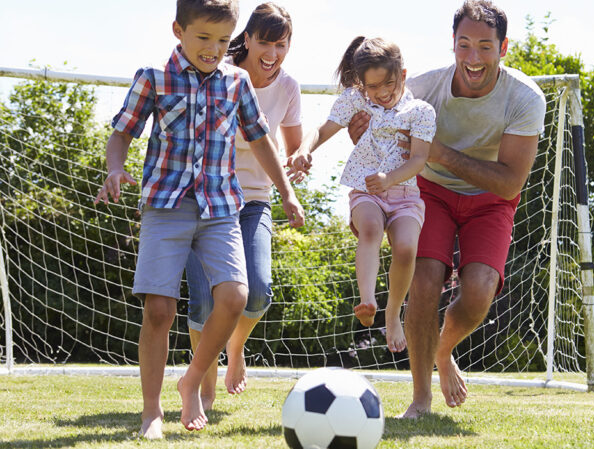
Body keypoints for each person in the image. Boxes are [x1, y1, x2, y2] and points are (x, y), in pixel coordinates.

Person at [94, 0, 304, 438]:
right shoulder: (154, 77)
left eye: (223, 40)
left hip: (221, 206)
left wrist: (286, 192)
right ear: (179, 30)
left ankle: (191, 379)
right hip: (166, 206)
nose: (214, 49)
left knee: (235, 296)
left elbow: (262, 141)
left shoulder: (237, 81)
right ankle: (152, 411)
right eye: (203, 37)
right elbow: (122, 134)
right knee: (159, 308)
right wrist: (116, 168)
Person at [347, 0, 546, 417]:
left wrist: (441, 152)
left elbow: (511, 180)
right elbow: (381, 146)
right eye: (464, 44)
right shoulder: (420, 88)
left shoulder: (525, 98)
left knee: (477, 295)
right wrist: (359, 135)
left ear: (503, 48)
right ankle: (420, 399)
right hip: (430, 192)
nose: (473, 58)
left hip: (491, 200)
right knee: (423, 284)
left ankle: (442, 350)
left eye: (485, 47)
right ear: (452, 43)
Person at [184, 2, 303, 411]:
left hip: (254, 199)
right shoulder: (217, 72)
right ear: (247, 39)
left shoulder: (287, 88)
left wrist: (298, 162)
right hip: (208, 199)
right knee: (202, 301)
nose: (272, 53)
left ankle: (235, 347)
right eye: (264, 42)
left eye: (280, 45)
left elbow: (291, 144)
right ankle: (204, 377)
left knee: (257, 293)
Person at [289, 36, 436, 353]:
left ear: (403, 74)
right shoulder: (355, 100)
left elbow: (419, 159)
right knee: (370, 229)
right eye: (373, 87)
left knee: (407, 247)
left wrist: (389, 178)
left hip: (404, 194)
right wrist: (304, 149)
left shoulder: (420, 111)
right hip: (366, 191)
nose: (382, 93)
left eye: (389, 84)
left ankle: (393, 312)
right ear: (361, 84)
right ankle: (367, 300)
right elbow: (322, 129)